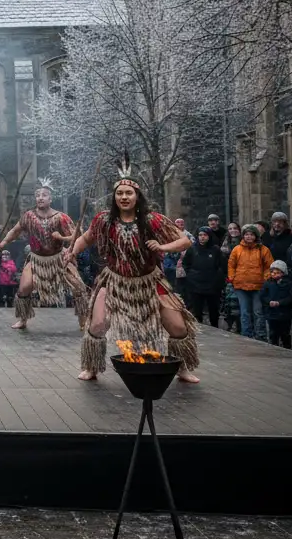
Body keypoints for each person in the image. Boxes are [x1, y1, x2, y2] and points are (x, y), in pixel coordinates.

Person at [69, 157, 199, 384]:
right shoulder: (103, 220)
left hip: (149, 281)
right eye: (120, 194)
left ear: (137, 196)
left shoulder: (153, 220)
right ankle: (91, 367)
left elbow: (184, 241)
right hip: (114, 281)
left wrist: (162, 247)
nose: (124, 197)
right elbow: (86, 238)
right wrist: (71, 252)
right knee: (98, 324)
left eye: (129, 193)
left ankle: (183, 368)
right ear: (114, 198)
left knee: (177, 326)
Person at [0, 179, 88, 331]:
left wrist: (61, 238)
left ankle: (83, 322)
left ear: (50, 199)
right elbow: (15, 231)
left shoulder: (61, 217)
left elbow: (77, 237)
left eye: (44, 195)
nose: (40, 198)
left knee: (78, 287)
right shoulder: (28, 216)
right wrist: (2, 243)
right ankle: (23, 320)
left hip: (58, 258)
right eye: (38, 195)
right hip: (36, 260)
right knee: (24, 288)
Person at [227, 225, 272, 341]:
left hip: (258, 285)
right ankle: (246, 335)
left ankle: (260, 335)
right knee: (245, 312)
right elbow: (231, 264)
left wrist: (266, 278)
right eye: (246, 234)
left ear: (256, 236)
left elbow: (269, 266)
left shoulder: (263, 250)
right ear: (243, 236)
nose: (249, 237)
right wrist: (232, 277)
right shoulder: (237, 249)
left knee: (258, 312)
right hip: (240, 285)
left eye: (251, 234)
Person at [181, 227, 226, 328]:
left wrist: (218, 277)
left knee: (213, 310)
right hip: (195, 284)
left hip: (212, 284)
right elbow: (185, 263)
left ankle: (215, 329)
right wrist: (191, 274)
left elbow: (222, 265)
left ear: (209, 236)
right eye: (200, 235)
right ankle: (199, 328)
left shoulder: (215, 250)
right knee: (197, 310)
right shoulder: (192, 249)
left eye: (205, 235)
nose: (202, 237)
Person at [260, 260, 292, 349]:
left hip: (285, 314)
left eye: (277, 272)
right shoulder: (268, 283)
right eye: (272, 272)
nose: (274, 274)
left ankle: (287, 349)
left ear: (283, 273)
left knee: (285, 334)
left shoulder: (288, 283)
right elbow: (263, 296)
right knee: (273, 334)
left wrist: (280, 303)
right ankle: (273, 348)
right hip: (272, 314)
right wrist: (269, 302)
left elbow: (291, 297)